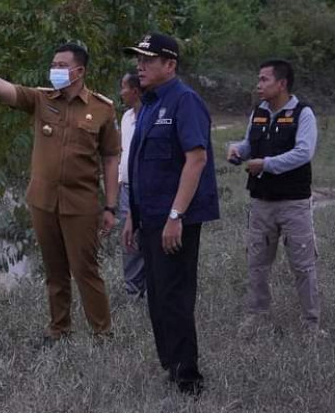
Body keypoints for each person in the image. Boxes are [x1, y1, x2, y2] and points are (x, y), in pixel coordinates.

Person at [0, 43, 120, 342]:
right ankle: (59, 331)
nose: (54, 70)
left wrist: (110, 206)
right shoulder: (41, 99)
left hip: (81, 204)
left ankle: (102, 334)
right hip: (43, 202)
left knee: (86, 271)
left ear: (79, 71)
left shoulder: (102, 109)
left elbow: (110, 158)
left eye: (61, 65)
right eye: (53, 64)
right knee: (55, 271)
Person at [121, 33, 219, 395]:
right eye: (138, 59)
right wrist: (132, 215)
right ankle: (171, 366)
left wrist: (176, 215)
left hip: (174, 221)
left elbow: (197, 160)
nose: (140, 66)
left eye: (148, 60)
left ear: (170, 64)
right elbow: (139, 166)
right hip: (148, 218)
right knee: (157, 298)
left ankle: (188, 380)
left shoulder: (185, 101)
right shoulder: (148, 104)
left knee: (175, 299)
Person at [227, 59, 321, 334]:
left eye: (264, 80)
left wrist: (266, 164)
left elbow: (304, 152)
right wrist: (237, 151)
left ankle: (311, 323)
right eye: (259, 79)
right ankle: (258, 316)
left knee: (303, 265)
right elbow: (248, 144)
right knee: (257, 263)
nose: (259, 85)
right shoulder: (258, 112)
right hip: (261, 202)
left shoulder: (303, 113)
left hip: (294, 203)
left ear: (281, 83)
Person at [118, 71, 145, 297]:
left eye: (123, 87)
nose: (121, 93)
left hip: (146, 188)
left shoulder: (151, 116)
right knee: (129, 241)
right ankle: (133, 292)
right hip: (126, 189)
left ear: (135, 91)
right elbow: (123, 152)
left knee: (149, 239)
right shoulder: (126, 118)